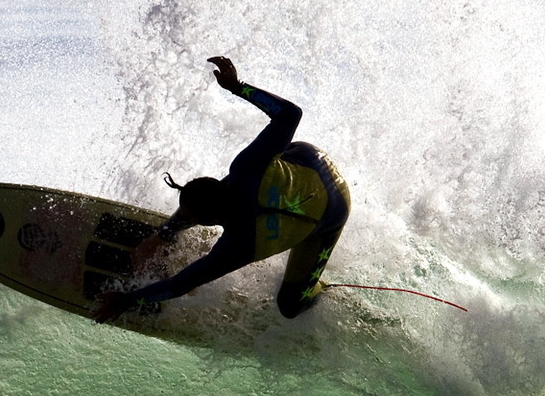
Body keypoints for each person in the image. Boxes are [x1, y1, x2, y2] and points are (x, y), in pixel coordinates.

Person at [91, 56, 350, 323]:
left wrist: (128, 299)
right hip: (309, 159)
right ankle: (165, 235)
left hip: (332, 213)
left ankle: (318, 288)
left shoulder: (237, 247)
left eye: (191, 217)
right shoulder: (246, 169)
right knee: (247, 175)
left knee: (291, 305)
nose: (186, 216)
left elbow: (182, 283)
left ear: (211, 221)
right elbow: (290, 114)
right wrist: (238, 87)